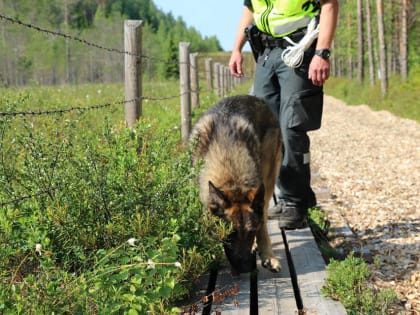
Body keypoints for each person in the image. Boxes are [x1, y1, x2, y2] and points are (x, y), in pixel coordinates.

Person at [229, 0, 339, 229]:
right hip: (266, 53)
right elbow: (250, 8)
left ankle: (296, 203)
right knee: (265, 129)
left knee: (292, 127)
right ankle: (285, 196)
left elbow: (329, 4)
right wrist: (237, 48)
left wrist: (322, 53)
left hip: (299, 49)